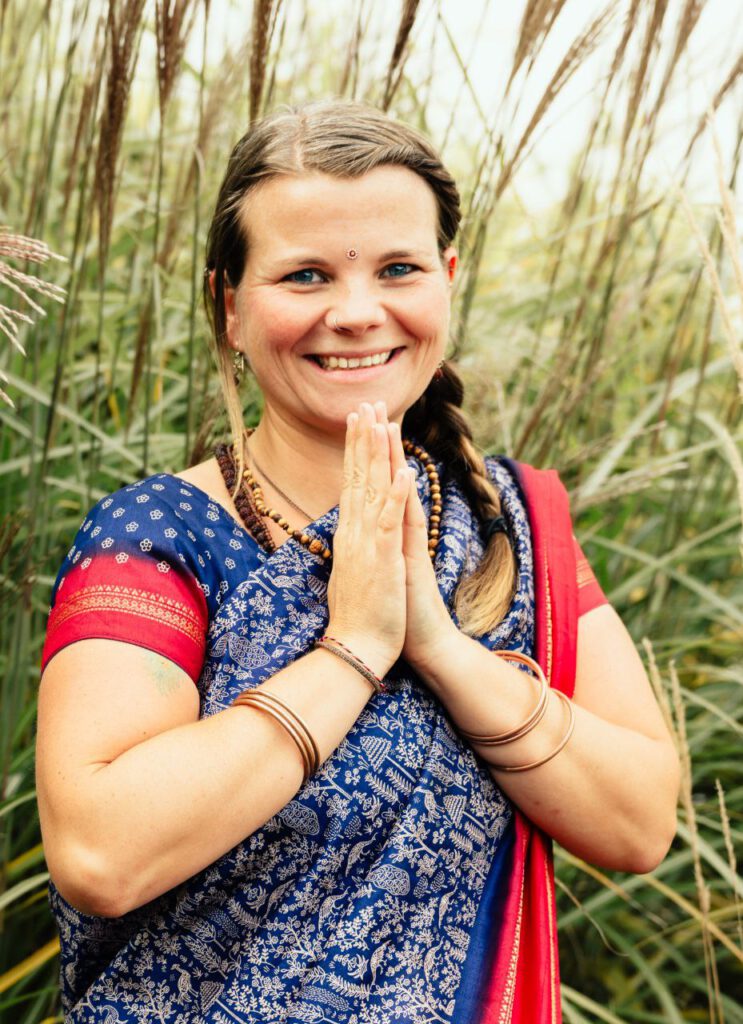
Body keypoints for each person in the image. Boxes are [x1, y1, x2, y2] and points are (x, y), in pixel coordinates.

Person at [36, 101, 680, 1024]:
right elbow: (101, 855)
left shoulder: (509, 526)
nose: (355, 313)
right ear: (230, 305)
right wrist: (353, 649)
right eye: (305, 274)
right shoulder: (157, 536)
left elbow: (639, 824)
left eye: (397, 269)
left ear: (447, 280)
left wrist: (439, 646)